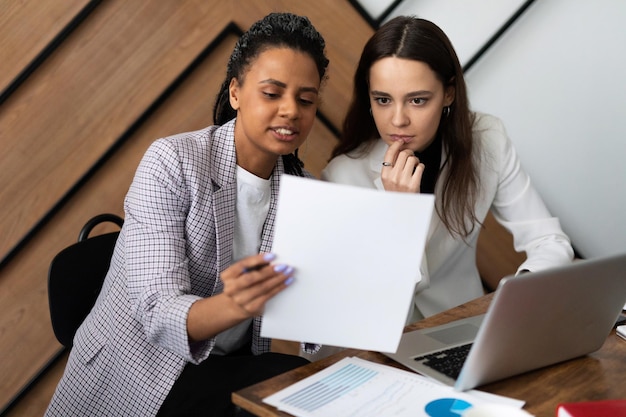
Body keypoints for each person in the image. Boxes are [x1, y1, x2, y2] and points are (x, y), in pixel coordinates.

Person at [45, 12, 329, 417]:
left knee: (307, 386)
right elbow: (157, 313)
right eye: (272, 93)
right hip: (140, 369)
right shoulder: (173, 161)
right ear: (235, 92)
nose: (291, 111)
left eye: (305, 100)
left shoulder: (305, 192)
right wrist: (237, 304)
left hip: (223, 365)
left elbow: (312, 323)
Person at [322, 16, 574, 323]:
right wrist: (400, 212)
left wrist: (516, 298)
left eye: (417, 100)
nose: (398, 120)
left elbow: (550, 241)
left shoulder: (487, 139)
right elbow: (372, 308)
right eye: (383, 100)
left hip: (459, 328)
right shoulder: (342, 176)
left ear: (449, 94)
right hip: (376, 345)